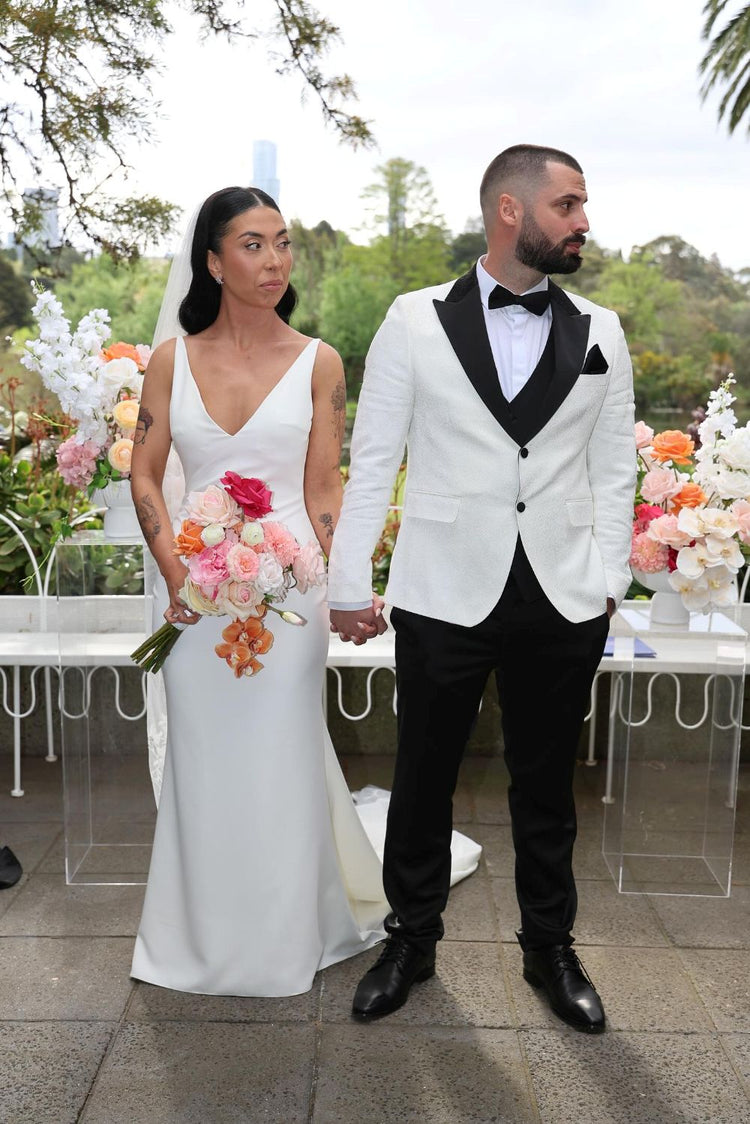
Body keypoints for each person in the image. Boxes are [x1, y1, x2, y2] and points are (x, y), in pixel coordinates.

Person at [129, 186, 481, 996]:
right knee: (204, 759)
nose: (275, 261)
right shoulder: (169, 361)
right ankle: (195, 932)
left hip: (292, 598)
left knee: (279, 757)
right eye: (252, 245)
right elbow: (146, 472)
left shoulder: (319, 361)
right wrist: (177, 575)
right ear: (213, 261)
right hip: (192, 601)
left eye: (283, 243)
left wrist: (347, 584)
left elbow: (326, 488)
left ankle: (284, 933)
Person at [328, 144, 636, 1032]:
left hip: (563, 592)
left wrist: (609, 579)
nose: (583, 221)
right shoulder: (412, 319)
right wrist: (354, 581)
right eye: (569, 204)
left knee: (547, 785)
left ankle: (550, 948)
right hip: (441, 588)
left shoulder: (602, 331)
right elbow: (374, 459)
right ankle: (410, 942)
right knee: (423, 776)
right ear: (512, 210)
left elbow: (616, 469)